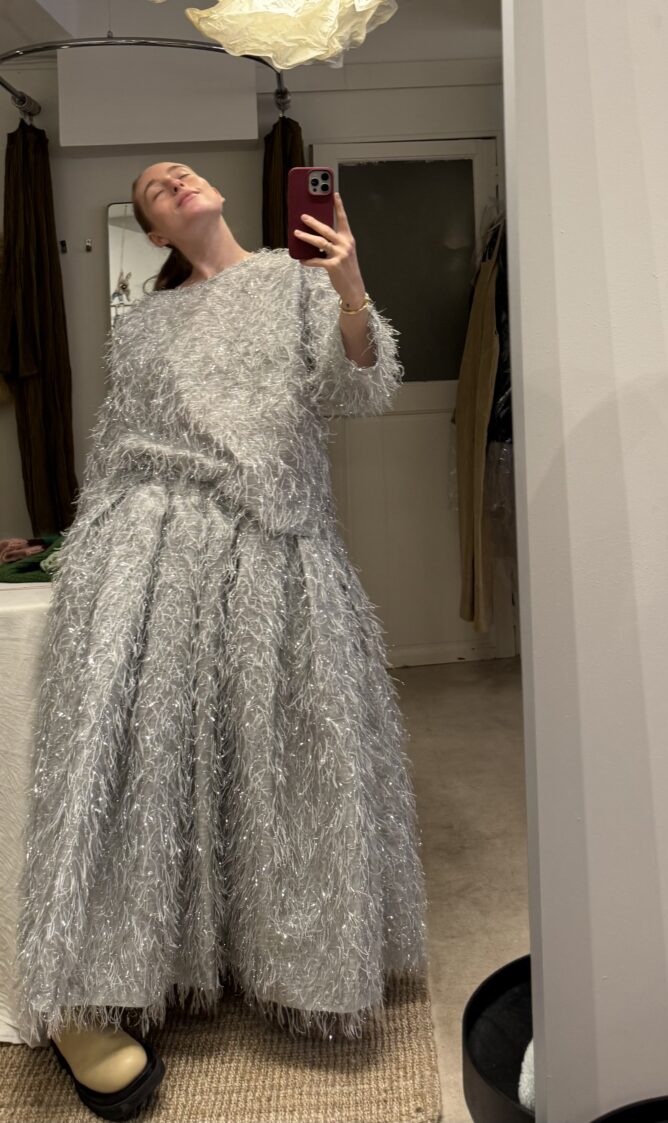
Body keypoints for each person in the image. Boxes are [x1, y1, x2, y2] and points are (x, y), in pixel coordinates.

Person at [15, 161, 428, 1119]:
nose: (170, 178)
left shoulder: (295, 278)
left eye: (179, 170)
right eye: (152, 189)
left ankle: (291, 953)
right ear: (154, 234)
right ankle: (107, 976)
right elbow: (118, 447)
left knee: (286, 751)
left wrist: (350, 285)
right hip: (150, 542)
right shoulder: (144, 321)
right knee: (144, 762)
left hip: (274, 538)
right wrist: (94, 552)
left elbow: (359, 385)